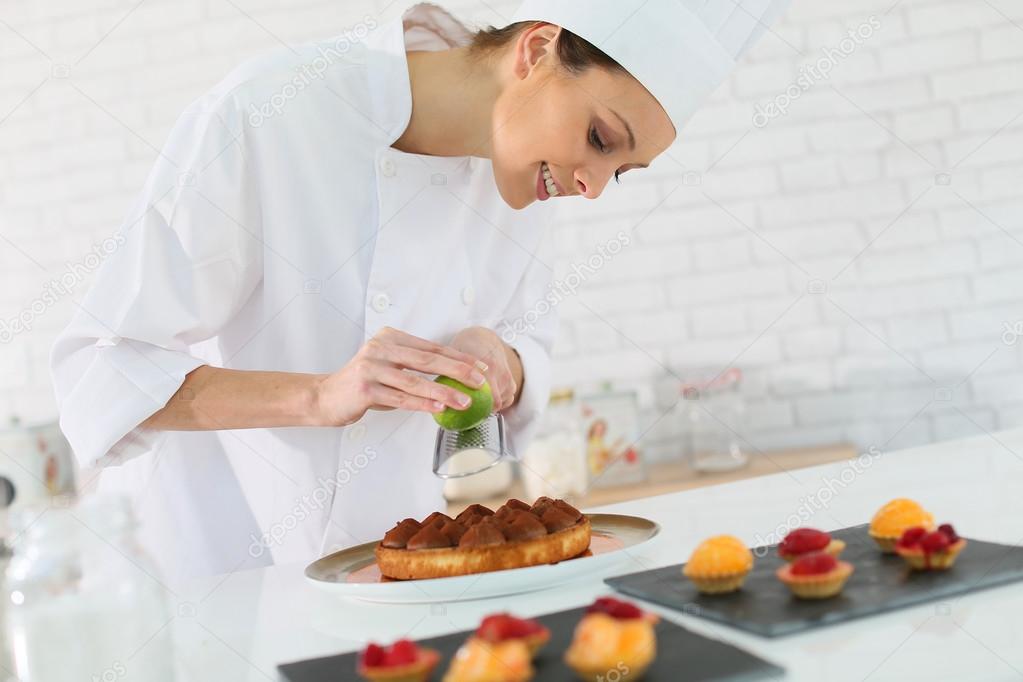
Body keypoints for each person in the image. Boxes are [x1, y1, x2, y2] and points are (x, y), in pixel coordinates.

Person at [51, 0, 788, 583]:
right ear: (534, 51)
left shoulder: (521, 179)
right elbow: (101, 369)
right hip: (212, 577)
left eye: (620, 171)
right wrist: (319, 396)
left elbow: (531, 342)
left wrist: (502, 359)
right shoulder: (270, 111)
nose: (592, 187)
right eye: (600, 140)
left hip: (394, 574)